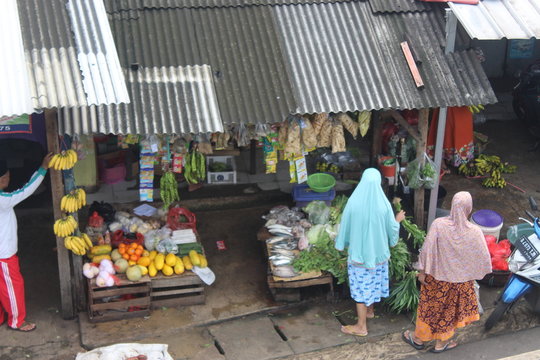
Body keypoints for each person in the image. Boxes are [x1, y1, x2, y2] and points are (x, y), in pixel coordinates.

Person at [402, 191, 491, 353]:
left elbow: (427, 250)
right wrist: (473, 273)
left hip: (437, 279)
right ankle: (440, 345)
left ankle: (418, 339)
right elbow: (483, 256)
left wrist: (422, 272)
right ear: (468, 208)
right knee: (450, 312)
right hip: (461, 282)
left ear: (452, 206)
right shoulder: (475, 231)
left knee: (429, 309)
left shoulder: (439, 224)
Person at [335, 168, 405, 336]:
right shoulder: (384, 205)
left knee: (360, 290)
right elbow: (391, 231)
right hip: (379, 256)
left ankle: (361, 327)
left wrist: (341, 243)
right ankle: (370, 311)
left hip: (359, 257)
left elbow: (345, 226)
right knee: (372, 283)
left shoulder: (354, 202)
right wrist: (397, 220)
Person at [0, 153, 52, 332]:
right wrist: (43, 168)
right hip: (3, 255)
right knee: (13, 287)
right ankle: (17, 321)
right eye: (5, 175)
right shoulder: (3, 201)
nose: (8, 177)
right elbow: (25, 191)